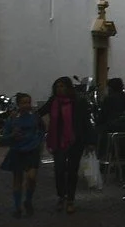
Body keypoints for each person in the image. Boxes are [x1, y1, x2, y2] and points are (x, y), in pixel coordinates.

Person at [39, 75, 91, 213]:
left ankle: (71, 199)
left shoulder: (79, 102)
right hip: (58, 141)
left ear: (68, 88)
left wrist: (90, 141)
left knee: (72, 171)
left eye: (62, 86)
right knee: (59, 169)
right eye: (57, 87)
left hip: (75, 141)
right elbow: (39, 113)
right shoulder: (53, 102)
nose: (59, 89)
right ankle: (61, 196)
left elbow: (86, 122)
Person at [0, 93, 43, 217]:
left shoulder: (34, 117)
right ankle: (17, 206)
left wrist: (38, 142)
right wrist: (12, 135)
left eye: (28, 102)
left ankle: (28, 200)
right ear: (18, 104)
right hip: (17, 151)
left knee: (32, 177)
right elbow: (4, 137)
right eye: (24, 102)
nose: (27, 105)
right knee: (18, 179)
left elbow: (41, 130)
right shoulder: (13, 119)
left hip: (32, 150)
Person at [98, 76, 125, 175]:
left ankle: (102, 160)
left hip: (112, 129)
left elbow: (102, 117)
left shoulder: (109, 99)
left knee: (99, 134)